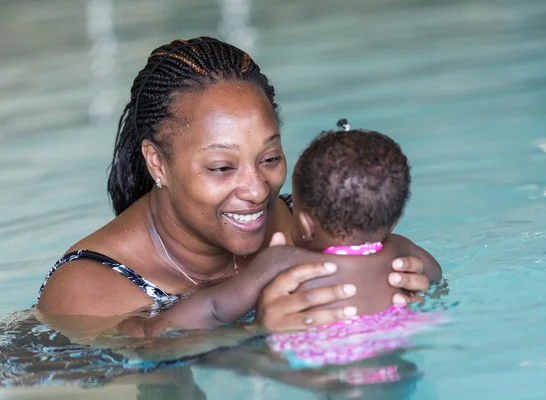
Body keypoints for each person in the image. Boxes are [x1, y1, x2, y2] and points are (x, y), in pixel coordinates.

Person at [36, 36, 438, 335]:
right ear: (157, 162)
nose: (258, 190)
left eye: (269, 159)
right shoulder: (88, 291)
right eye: (222, 167)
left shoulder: (310, 221)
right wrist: (258, 335)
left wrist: (409, 284)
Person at [118, 120, 442, 337]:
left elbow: (215, 308)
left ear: (302, 221)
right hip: (393, 345)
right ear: (394, 219)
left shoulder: (283, 259)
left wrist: (150, 328)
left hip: (317, 364)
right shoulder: (402, 251)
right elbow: (435, 276)